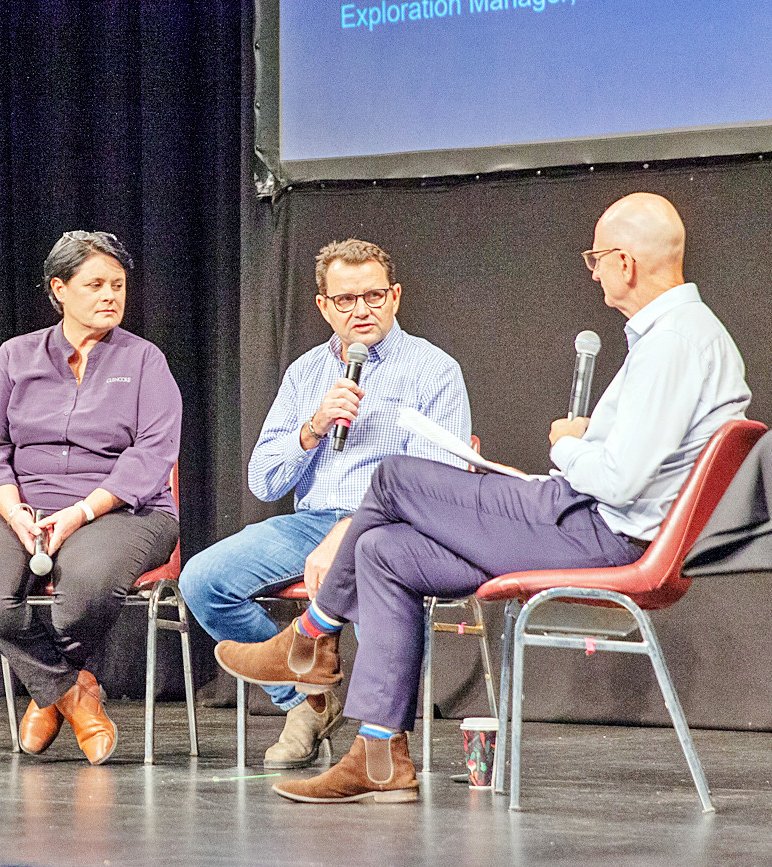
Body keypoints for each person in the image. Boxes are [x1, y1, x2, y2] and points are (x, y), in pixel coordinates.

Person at [216, 192, 751, 804]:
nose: (594, 270)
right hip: (585, 518)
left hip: (597, 531)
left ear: (625, 262)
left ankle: (312, 635)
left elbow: (621, 481)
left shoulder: (675, 342)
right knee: (385, 551)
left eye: (597, 257)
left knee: (394, 475)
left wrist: (569, 445)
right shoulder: (678, 335)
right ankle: (380, 755)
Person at [180, 239, 470, 768]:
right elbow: (263, 481)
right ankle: (308, 702)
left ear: (396, 297)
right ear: (323, 306)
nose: (362, 310)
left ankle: (378, 745)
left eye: (374, 296)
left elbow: (432, 490)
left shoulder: (434, 370)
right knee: (203, 579)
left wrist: (350, 533)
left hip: (393, 530)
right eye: (345, 300)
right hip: (309, 524)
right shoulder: (305, 373)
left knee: (378, 593)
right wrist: (312, 429)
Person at [0, 231, 181, 765]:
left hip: (126, 510)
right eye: (95, 285)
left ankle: (45, 691)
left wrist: (83, 511)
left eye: (118, 286)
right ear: (59, 289)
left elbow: (154, 453)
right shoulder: (15, 356)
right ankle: (69, 691)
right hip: (23, 504)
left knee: (88, 585)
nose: (110, 296)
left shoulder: (146, 360)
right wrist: (13, 512)